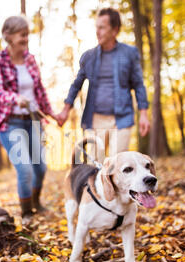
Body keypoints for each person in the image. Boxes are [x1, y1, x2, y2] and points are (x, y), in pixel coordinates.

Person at [0, 16, 61, 223]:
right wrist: (15, 98)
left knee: (40, 167)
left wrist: (52, 113)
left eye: (27, 35)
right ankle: (27, 213)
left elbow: (40, 91)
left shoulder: (30, 59)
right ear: (8, 36)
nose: (25, 39)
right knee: (25, 169)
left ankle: (36, 203)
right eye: (22, 35)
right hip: (10, 122)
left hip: (33, 120)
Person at [58, 8, 150, 160]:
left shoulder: (129, 53)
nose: (97, 32)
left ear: (115, 30)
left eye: (102, 27)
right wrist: (65, 110)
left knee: (118, 163)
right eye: (96, 27)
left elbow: (139, 84)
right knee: (95, 165)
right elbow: (76, 85)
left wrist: (144, 115)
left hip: (122, 118)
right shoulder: (89, 57)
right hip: (96, 119)